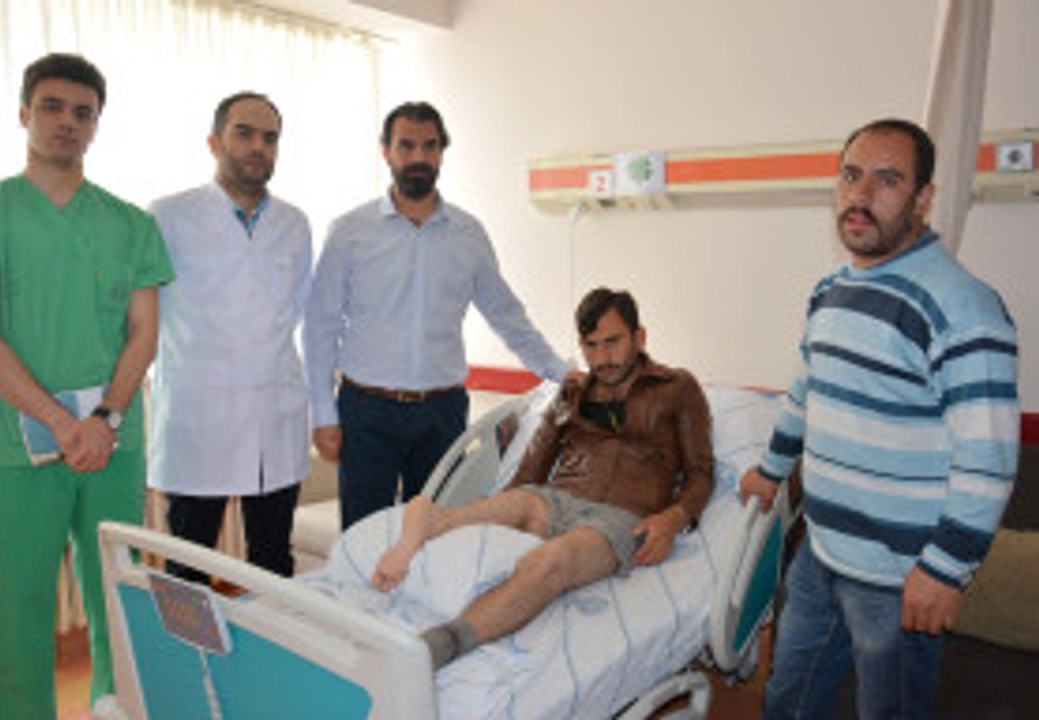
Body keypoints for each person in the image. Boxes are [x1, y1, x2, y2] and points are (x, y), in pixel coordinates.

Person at [740, 118, 1019, 720]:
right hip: (820, 554)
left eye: (887, 180)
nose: (861, 195)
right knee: (787, 701)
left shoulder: (963, 307)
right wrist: (771, 469)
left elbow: (989, 458)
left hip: (899, 576)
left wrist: (944, 570)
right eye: (851, 175)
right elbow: (806, 391)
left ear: (922, 199)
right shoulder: (829, 292)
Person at [0, 54, 173, 720]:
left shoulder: (131, 225)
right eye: (52, 107)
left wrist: (105, 419)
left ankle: (117, 709)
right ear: (23, 114)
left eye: (83, 112)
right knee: (16, 611)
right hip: (16, 450)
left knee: (119, 601)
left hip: (112, 444)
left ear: (97, 124)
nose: (67, 122)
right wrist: (64, 424)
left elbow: (144, 335)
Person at [371, 287, 713, 670]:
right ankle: (423, 530)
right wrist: (499, 514)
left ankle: (444, 643)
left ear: (640, 337)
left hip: (617, 518)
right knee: (495, 508)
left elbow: (701, 473)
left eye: (613, 342)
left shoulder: (677, 388)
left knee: (552, 561)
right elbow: (533, 465)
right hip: (554, 500)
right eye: (591, 346)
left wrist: (672, 519)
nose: (603, 358)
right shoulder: (573, 392)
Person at [305, 101, 570, 529]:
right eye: (406, 146)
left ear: (442, 152)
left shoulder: (468, 234)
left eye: (429, 146)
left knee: (436, 538)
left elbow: (507, 317)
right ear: (386, 152)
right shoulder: (350, 231)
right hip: (367, 411)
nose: (418, 157)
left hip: (441, 414)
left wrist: (561, 374)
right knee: (364, 539)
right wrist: (322, 414)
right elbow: (320, 327)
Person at [148, 92, 311, 581]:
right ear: (214, 142)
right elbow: (141, 314)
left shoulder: (294, 223)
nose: (258, 147)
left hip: (275, 416)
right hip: (200, 419)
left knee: (273, 563)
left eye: (270, 138)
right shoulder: (167, 216)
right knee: (188, 567)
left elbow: (298, 311)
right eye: (244, 133)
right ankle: (186, 640)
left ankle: (272, 634)